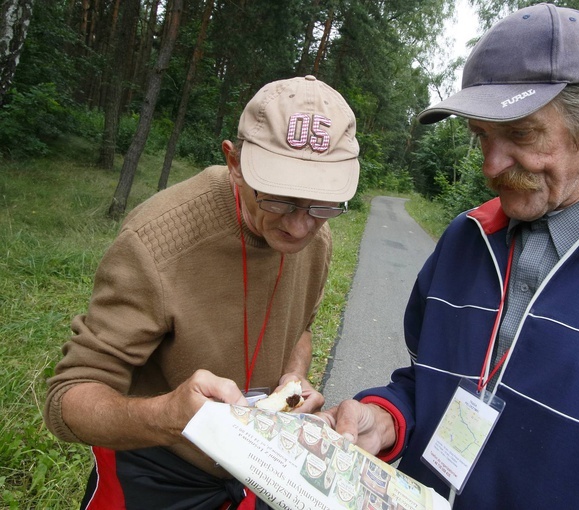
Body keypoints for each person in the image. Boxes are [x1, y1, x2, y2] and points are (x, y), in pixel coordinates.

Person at [319, 4, 579, 509]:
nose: (491, 165)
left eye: (520, 134)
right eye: (482, 135)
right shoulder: (467, 237)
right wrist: (387, 418)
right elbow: (431, 385)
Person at [44, 75, 360, 509]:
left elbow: (299, 326)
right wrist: (167, 416)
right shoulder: (157, 242)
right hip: (158, 472)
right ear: (234, 162)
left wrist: (294, 374)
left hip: (258, 469)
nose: (299, 226)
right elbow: (68, 398)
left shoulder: (316, 241)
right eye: (279, 199)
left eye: (322, 204)